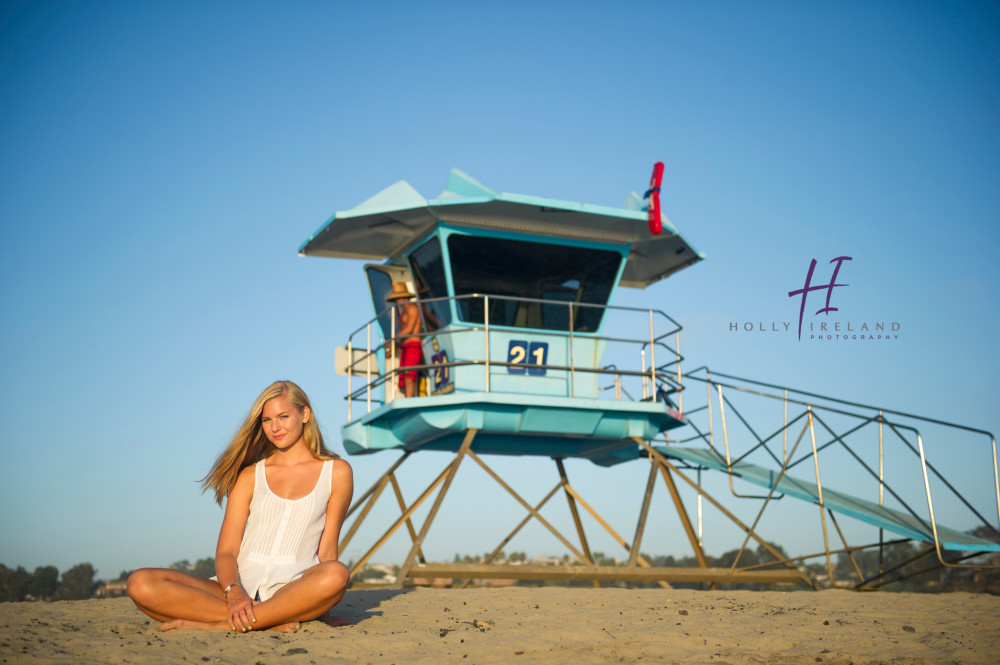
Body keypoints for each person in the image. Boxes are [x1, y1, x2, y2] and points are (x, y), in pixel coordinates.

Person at [127, 380, 354, 633]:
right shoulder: (249, 476)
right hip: (238, 586)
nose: (275, 427)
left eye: (283, 416)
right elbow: (226, 552)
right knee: (140, 582)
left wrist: (325, 608)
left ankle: (218, 625)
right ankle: (268, 620)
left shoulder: (337, 472)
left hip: (294, 589)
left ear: (304, 414)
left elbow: (327, 549)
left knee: (336, 574)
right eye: (267, 420)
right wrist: (234, 591)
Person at [385, 282, 424, 397]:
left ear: (405, 297)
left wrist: (392, 339)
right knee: (403, 378)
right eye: (396, 299)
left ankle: (409, 400)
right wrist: (396, 347)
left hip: (413, 345)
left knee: (408, 376)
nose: (397, 301)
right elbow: (405, 333)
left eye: (398, 298)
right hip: (406, 347)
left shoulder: (413, 308)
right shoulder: (402, 312)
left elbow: (409, 329)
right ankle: (407, 399)